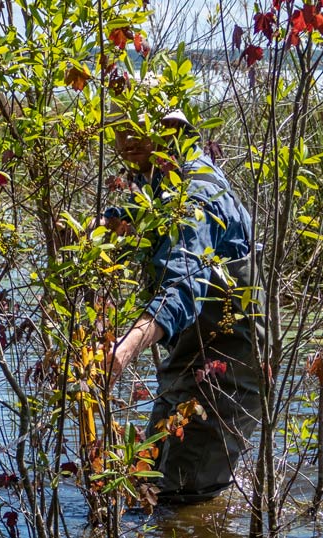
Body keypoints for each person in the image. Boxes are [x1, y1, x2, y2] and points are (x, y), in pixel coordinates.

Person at [105, 107, 264, 504]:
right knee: (151, 477)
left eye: (137, 125)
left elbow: (182, 288)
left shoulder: (195, 195)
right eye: (118, 128)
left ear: (173, 129)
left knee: (181, 494)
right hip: (192, 355)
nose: (126, 138)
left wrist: (124, 350)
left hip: (227, 366)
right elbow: (137, 217)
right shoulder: (160, 181)